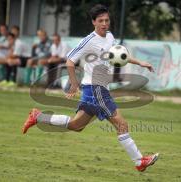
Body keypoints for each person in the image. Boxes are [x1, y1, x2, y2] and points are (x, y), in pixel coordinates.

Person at [22, 4, 158, 172]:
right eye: (100, 21)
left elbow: (119, 55)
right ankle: (139, 161)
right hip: (95, 89)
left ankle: (38, 117)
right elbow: (70, 61)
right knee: (121, 124)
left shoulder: (109, 36)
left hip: (97, 89)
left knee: (76, 126)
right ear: (93, 22)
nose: (104, 24)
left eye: (107, 20)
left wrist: (140, 63)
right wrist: (73, 83)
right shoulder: (88, 41)